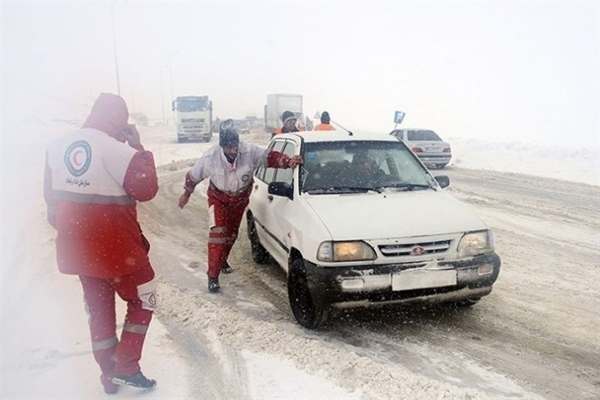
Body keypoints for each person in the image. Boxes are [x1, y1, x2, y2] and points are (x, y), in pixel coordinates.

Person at [44, 93, 159, 394]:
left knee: (99, 310)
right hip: (119, 250)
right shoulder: (118, 151)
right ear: (118, 118)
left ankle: (109, 375)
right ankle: (127, 366)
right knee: (144, 296)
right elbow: (147, 188)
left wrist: (77, 233)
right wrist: (137, 146)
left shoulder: (56, 148)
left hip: (79, 250)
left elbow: (52, 206)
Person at [178, 120, 302, 292]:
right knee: (218, 234)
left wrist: (288, 161)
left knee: (231, 235)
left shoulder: (249, 151)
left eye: (234, 146)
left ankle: (222, 260)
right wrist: (186, 194)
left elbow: (269, 157)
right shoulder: (210, 158)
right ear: (222, 146)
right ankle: (213, 276)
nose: (233, 150)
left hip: (240, 199)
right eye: (228, 147)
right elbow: (193, 176)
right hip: (218, 198)